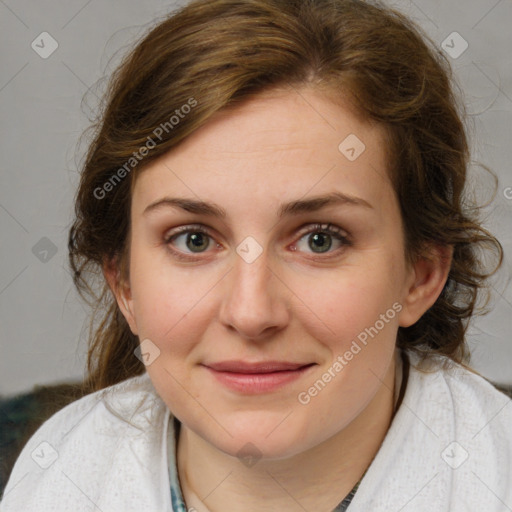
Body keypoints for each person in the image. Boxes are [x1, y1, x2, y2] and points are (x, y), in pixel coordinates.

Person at [1, 0, 510, 510]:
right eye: (193, 239)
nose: (251, 313)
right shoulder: (41, 476)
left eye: (320, 239)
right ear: (124, 283)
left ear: (419, 276)